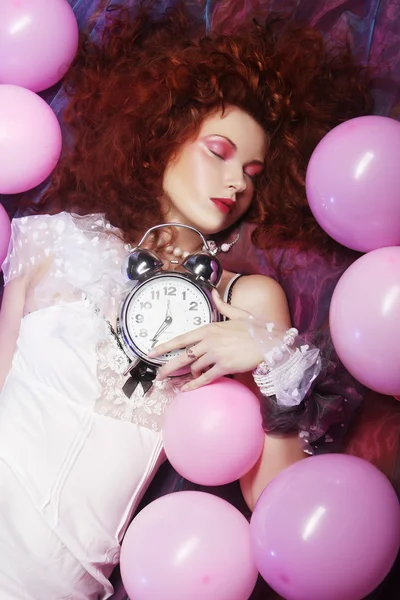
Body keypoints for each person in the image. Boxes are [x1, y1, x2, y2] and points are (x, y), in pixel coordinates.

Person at [0, 3, 372, 599]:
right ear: (162, 133)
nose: (236, 184)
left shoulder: (247, 300)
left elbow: (274, 503)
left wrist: (275, 363)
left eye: (253, 173)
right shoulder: (55, 240)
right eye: (220, 152)